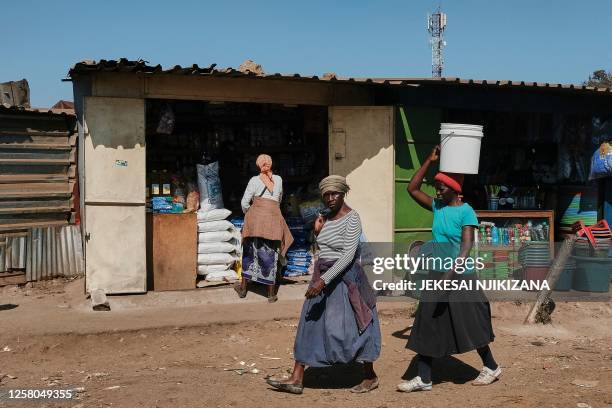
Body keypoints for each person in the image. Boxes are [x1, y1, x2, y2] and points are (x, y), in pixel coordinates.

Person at [397, 146, 501, 392]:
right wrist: (428, 160)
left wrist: (448, 277)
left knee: (471, 324)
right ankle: (424, 378)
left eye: (441, 188)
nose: (437, 191)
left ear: (454, 189)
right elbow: (411, 188)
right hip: (438, 274)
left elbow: (465, 250)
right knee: (426, 323)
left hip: (460, 277)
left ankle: (492, 367)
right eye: (436, 187)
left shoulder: (466, 212)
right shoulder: (437, 207)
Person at [266, 175, 381, 394]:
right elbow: (325, 247)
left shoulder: (353, 218)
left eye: (334, 194)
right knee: (309, 323)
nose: (329, 198)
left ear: (343, 193)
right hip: (322, 275)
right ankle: (297, 377)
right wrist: (318, 232)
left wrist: (323, 282)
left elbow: (347, 256)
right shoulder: (324, 217)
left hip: (345, 279)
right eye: (326, 194)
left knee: (357, 326)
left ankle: (369, 375)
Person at [235, 154, 293, 303]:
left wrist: (252, 214)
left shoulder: (254, 180)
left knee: (248, 252)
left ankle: (243, 289)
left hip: (254, 221)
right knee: (271, 254)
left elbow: (244, 203)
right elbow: (278, 199)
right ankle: (271, 294)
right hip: (273, 219)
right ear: (271, 164)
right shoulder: (278, 179)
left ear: (258, 165)